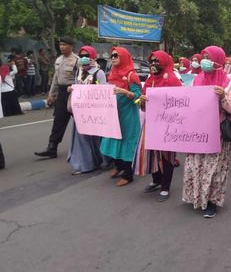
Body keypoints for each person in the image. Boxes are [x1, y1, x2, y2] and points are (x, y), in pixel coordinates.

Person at [182, 45, 231, 218]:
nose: (204, 60)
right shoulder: (195, 79)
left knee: (214, 169)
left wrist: (223, 98)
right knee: (196, 165)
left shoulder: (227, 82)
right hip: (198, 133)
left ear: (218, 60)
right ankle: (198, 197)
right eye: (203, 56)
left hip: (218, 134)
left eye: (209, 57)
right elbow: (186, 102)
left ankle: (212, 202)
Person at [134, 50, 182, 201]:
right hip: (151, 123)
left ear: (165, 62)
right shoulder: (149, 80)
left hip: (167, 124)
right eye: (152, 61)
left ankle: (165, 188)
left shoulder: (173, 79)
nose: (154, 64)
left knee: (167, 155)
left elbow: (180, 102)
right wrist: (142, 100)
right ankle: (156, 180)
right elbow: (143, 103)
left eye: (157, 61)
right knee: (150, 152)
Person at [100, 47, 141, 187]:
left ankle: (128, 174)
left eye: (116, 55)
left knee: (126, 142)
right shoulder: (112, 73)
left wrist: (124, 91)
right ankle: (118, 166)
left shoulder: (131, 75)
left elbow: (137, 96)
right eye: (112, 55)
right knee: (113, 138)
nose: (113, 57)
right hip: (114, 113)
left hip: (128, 115)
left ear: (123, 57)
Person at [35, 37, 78, 158]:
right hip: (62, 92)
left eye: (64, 45)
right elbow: (55, 78)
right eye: (60, 45)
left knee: (81, 121)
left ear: (71, 46)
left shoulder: (77, 60)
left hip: (75, 92)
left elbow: (81, 78)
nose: (62, 47)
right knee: (58, 120)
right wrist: (51, 94)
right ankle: (52, 147)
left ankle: (87, 146)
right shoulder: (58, 60)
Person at [67, 46, 107, 175]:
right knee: (81, 138)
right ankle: (84, 164)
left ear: (93, 57)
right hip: (80, 111)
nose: (84, 57)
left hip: (93, 112)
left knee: (95, 138)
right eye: (82, 55)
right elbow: (77, 86)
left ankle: (98, 160)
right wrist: (72, 89)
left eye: (87, 55)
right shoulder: (79, 71)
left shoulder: (98, 73)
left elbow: (103, 91)